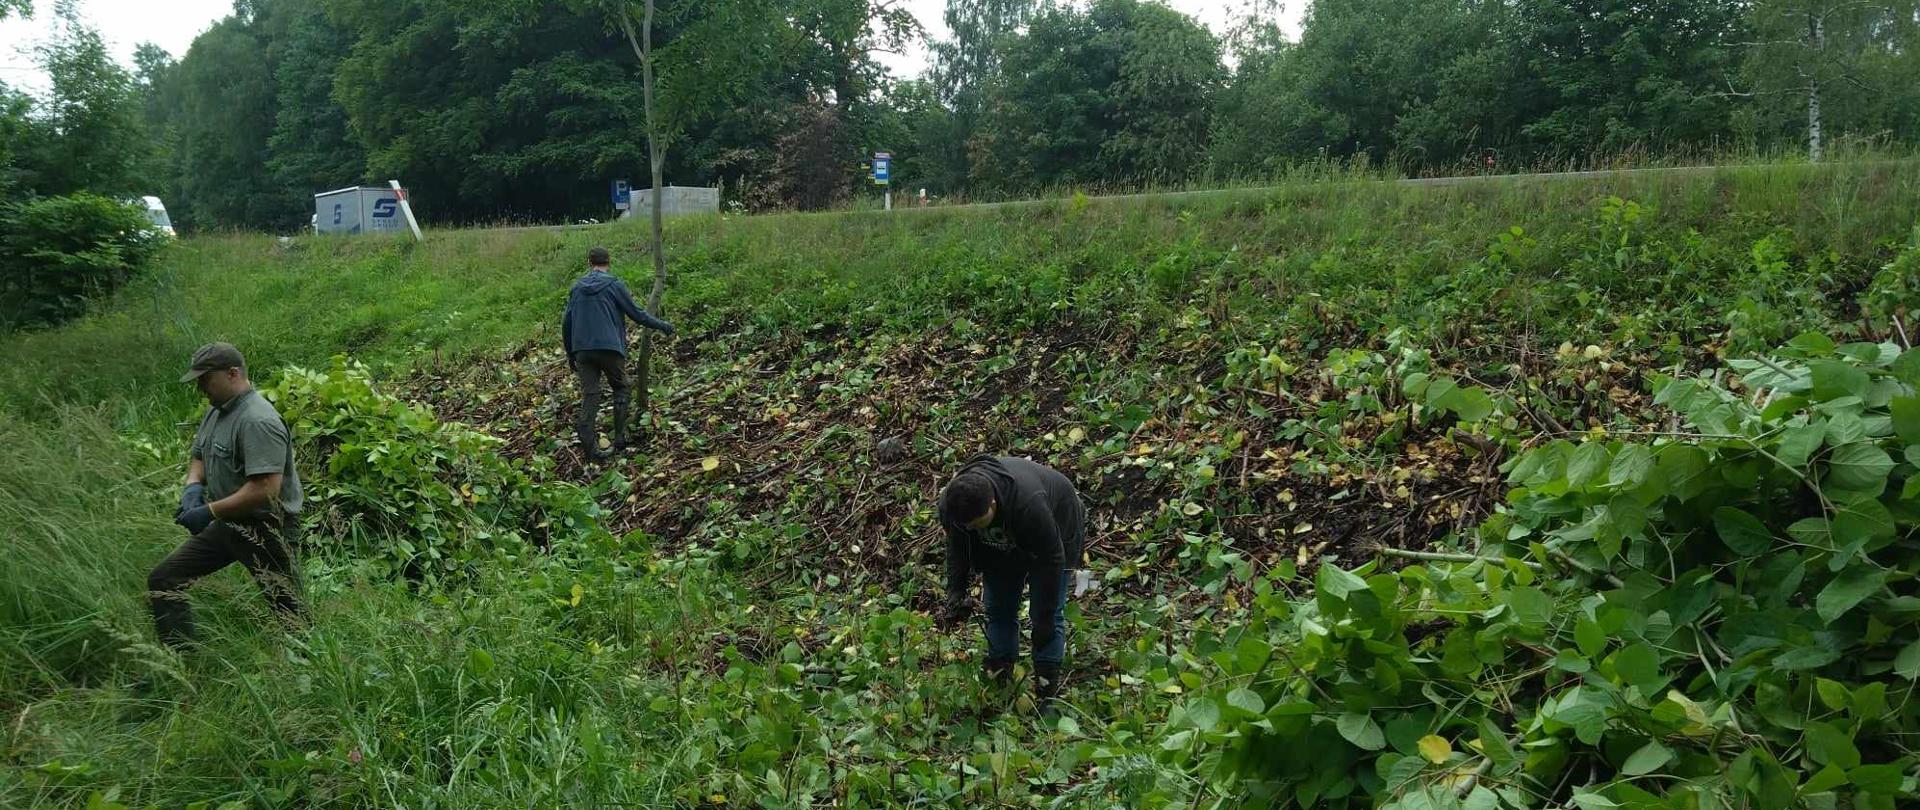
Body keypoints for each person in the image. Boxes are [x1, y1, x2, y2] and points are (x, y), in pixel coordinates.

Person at [149, 342, 306, 648]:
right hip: (227, 523)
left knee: (291, 616)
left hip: (266, 530)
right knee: (164, 580)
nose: (200, 388)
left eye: (205, 379)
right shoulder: (216, 411)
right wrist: (193, 488)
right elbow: (199, 457)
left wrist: (208, 512)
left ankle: (308, 673)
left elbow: (265, 490)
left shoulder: (258, 420)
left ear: (233, 373)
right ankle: (183, 663)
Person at [937, 455, 1086, 703]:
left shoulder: (1029, 503)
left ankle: (1046, 690)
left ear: (992, 504)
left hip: (1056, 530)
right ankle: (1000, 679)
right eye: (967, 526)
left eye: (977, 523)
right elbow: (957, 547)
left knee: (1047, 616)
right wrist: (956, 591)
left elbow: (1051, 559)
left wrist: (1044, 618)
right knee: (998, 609)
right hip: (1001, 542)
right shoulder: (953, 505)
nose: (972, 529)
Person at [562, 246, 674, 460]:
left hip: (582, 350)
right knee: (621, 387)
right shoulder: (614, 285)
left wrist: (570, 353)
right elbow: (637, 314)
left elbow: (567, 322)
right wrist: (663, 325)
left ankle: (590, 450)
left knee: (591, 395)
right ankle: (619, 438)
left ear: (589, 262)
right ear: (609, 262)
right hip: (609, 347)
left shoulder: (576, 288)